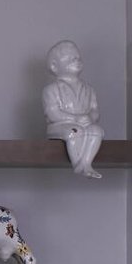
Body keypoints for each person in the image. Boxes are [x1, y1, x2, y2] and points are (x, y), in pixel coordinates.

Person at [42, 39, 106, 179]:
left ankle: (86, 163)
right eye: (69, 57)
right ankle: (78, 164)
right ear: (54, 66)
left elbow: (94, 110)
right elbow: (53, 113)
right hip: (60, 126)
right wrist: (75, 119)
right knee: (73, 131)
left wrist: (90, 117)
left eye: (77, 56)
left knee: (96, 131)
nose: (76, 59)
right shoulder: (51, 90)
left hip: (85, 124)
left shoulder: (89, 89)